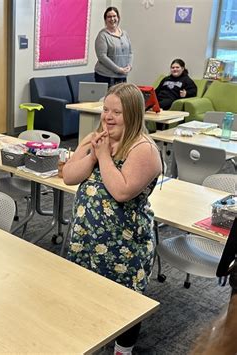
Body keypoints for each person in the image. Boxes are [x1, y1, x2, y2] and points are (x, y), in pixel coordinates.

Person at [62, 83, 162, 355]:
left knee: (124, 302)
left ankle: (122, 349)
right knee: (87, 294)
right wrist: (93, 153)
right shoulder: (98, 137)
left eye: (116, 112)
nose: (108, 116)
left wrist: (102, 155)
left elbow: (120, 191)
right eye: (106, 109)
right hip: (87, 240)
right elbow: (69, 175)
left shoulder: (143, 149)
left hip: (124, 247)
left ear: (132, 114)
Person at [94, 7, 133, 87]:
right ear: (105, 20)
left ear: (118, 18)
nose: (112, 19)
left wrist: (129, 66)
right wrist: (118, 69)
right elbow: (102, 56)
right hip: (106, 77)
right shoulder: (102, 35)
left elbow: (130, 52)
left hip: (122, 76)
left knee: (121, 99)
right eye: (109, 17)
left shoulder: (125, 34)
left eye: (114, 16)